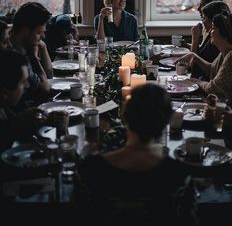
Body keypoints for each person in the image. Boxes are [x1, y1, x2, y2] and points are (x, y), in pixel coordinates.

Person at [73, 83, 197, 225]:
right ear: (165, 123)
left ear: (124, 117)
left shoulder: (91, 169)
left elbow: (78, 218)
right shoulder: (178, 174)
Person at [178, 12, 232, 99]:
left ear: (224, 33)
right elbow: (212, 69)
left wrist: (197, 81)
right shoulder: (224, 51)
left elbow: (214, 89)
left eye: (214, 28)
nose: (209, 31)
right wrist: (195, 57)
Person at [0, 49, 49, 152]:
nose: (27, 86)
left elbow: (10, 123)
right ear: (4, 92)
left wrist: (24, 118)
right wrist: (18, 122)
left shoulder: (3, 107)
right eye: (23, 82)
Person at [10, 2, 52, 106]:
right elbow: (45, 88)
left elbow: (49, 74)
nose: (43, 37)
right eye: (39, 33)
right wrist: (34, 58)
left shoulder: (24, 45)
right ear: (25, 31)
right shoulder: (15, 55)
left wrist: (43, 47)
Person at [191, 1, 230, 80]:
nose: (202, 21)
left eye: (204, 18)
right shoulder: (213, 37)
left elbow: (194, 68)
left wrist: (195, 39)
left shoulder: (217, 42)